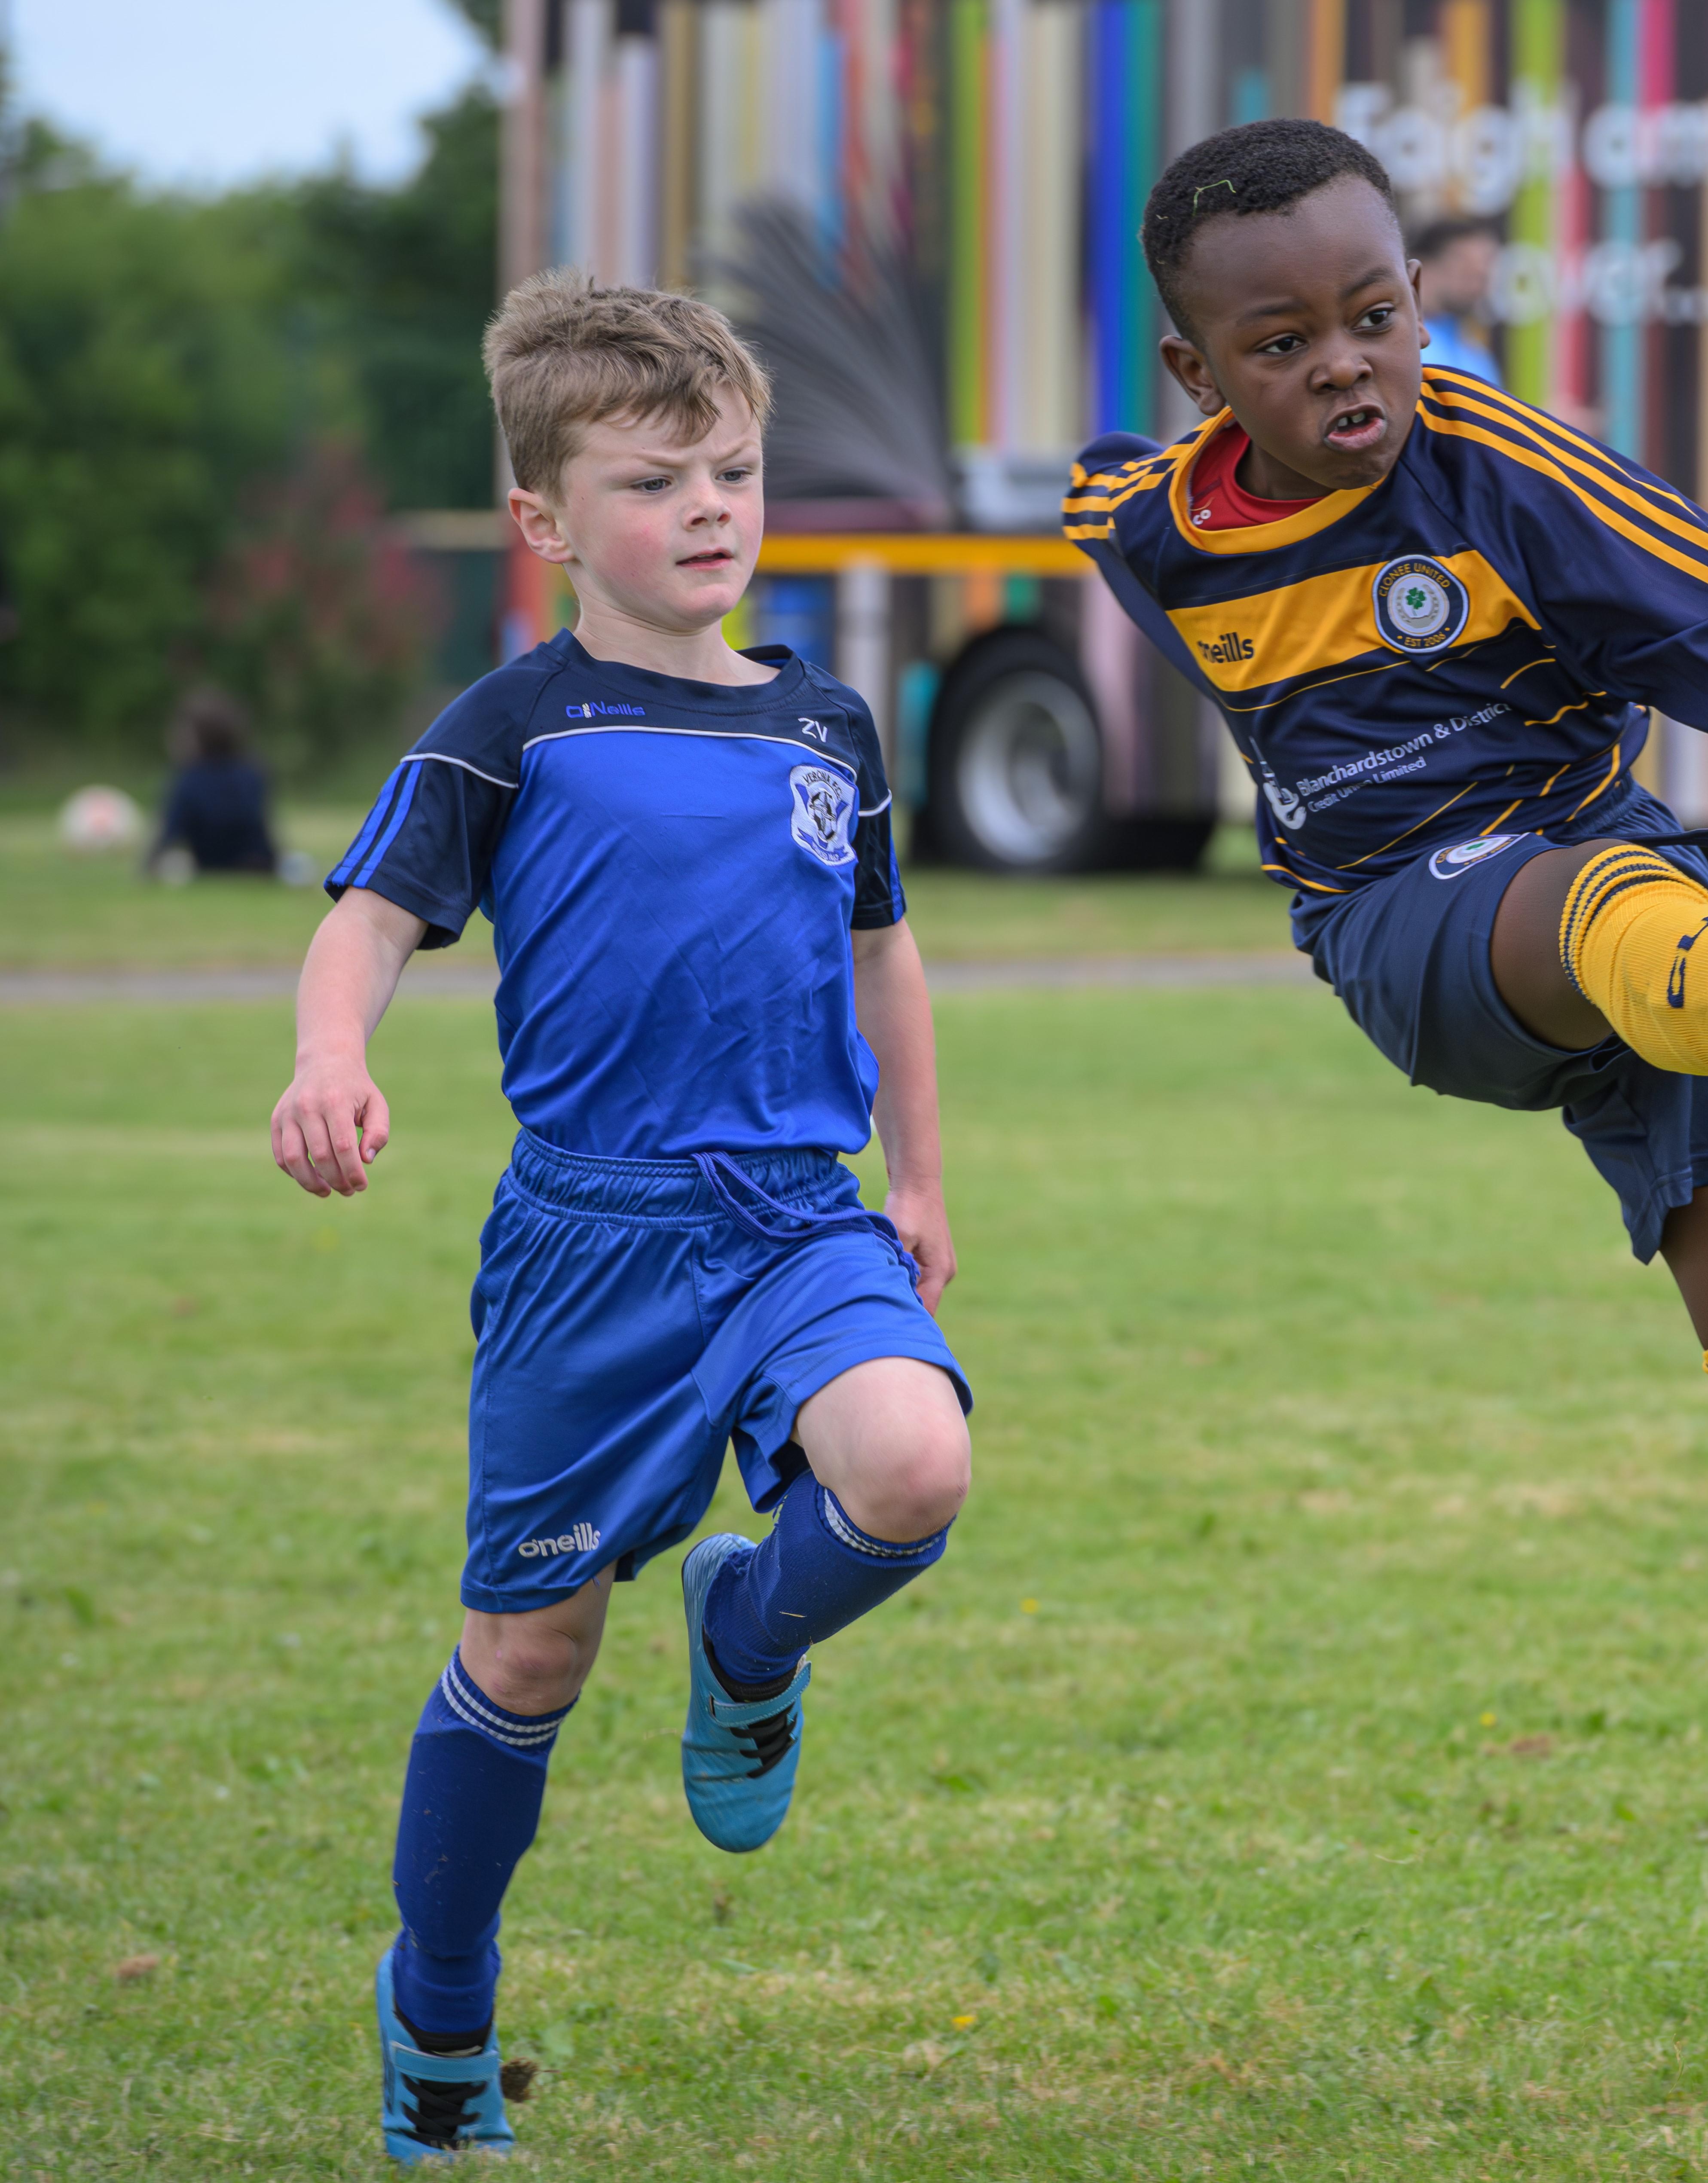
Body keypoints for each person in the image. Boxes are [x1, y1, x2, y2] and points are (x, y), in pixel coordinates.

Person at [1064, 120, 1708, 2020]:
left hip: (1640, 930)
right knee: (1612, 884)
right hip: (1410, 925)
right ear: (1198, 376)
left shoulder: (1498, 465)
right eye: (1282, 344)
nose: (1345, 364)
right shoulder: (1136, 519)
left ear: (1422, 301)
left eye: (1376, 315)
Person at [269, 269, 973, 2164]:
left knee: (912, 1461)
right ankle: (439, 2010)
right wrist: (331, 1051)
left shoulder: (828, 723)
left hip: (796, 1215)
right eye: (657, 481)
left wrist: (913, 1178)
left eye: (733, 470)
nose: (710, 510)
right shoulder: (517, 720)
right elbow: (368, 914)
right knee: (531, 1654)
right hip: (591, 1242)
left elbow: (885, 957)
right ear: (545, 520)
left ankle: (753, 1627)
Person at [153, 686, 282, 875]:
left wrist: (151, 861)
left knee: (173, 864)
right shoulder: (253, 773)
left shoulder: (188, 780)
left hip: (205, 864)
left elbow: (170, 833)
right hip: (257, 862)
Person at [1408, 212, 1506, 383]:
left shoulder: (1478, 358)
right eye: (1464, 266)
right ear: (1422, 267)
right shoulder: (1404, 349)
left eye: (1485, 269)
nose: (1478, 282)